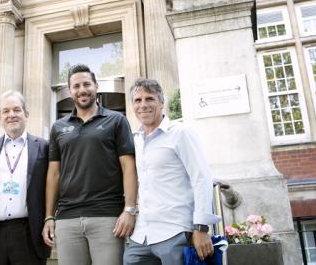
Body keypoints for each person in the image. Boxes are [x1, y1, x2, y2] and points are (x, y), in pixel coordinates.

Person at [42, 64, 137, 265]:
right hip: (67, 219)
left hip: (107, 216)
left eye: (86, 84)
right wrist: (49, 216)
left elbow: (128, 167)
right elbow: (53, 174)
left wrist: (129, 210)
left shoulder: (116, 120)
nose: (82, 89)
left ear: (96, 86)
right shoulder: (58, 127)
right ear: (70, 91)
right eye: (76, 86)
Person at [123, 78, 220, 265]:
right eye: (138, 100)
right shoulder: (135, 140)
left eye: (149, 99)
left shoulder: (180, 133)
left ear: (161, 102)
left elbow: (201, 178)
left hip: (175, 231)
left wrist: (201, 227)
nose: (143, 105)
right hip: (142, 234)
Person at [0, 90, 50, 264]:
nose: (11, 115)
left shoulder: (44, 148)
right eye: (6, 111)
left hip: (28, 234)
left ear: (26, 114)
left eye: (17, 110)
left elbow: (51, 186)